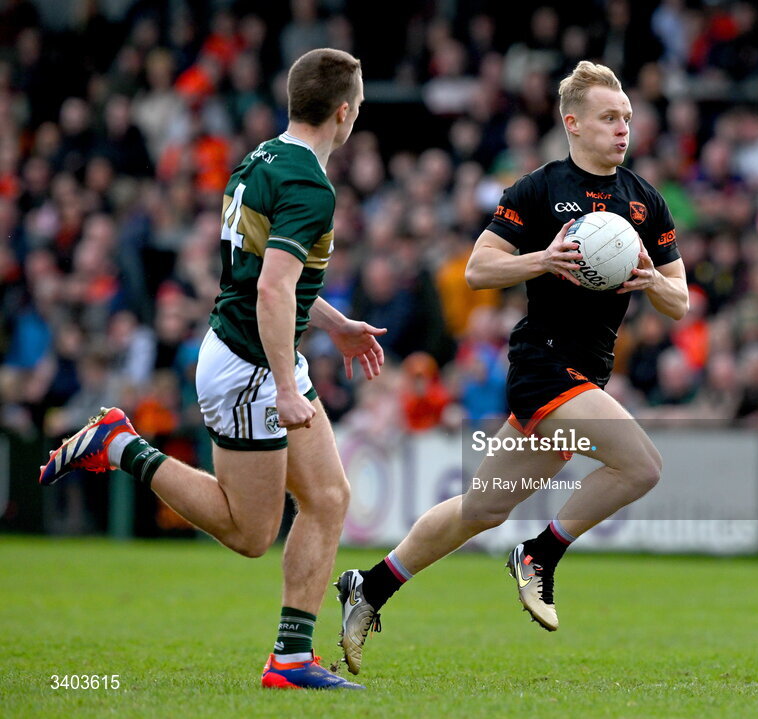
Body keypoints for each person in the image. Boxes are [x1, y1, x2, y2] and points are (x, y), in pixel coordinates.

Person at [39, 48, 385, 691]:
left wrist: (335, 327)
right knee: (249, 532)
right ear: (344, 112)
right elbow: (273, 292)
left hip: (251, 351)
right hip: (254, 365)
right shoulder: (309, 182)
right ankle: (120, 444)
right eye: (358, 105)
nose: (357, 114)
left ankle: (291, 660)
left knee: (328, 498)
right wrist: (284, 384)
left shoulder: (262, 158)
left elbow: (270, 274)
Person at [335, 61, 689, 675]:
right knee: (641, 465)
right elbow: (478, 270)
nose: (622, 128)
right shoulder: (537, 190)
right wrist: (544, 260)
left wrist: (653, 279)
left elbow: (680, 301)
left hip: (588, 373)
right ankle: (541, 554)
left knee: (481, 507)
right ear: (572, 123)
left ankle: (369, 587)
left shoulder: (644, 201)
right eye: (609, 118)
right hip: (543, 364)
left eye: (627, 118)